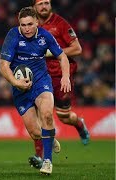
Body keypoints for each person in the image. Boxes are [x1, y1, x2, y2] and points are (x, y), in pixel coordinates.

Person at [0, 7, 71, 175]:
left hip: (41, 82)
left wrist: (65, 76)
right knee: (34, 132)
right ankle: (50, 138)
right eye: (23, 25)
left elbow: (62, 56)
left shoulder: (45, 36)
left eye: (30, 24)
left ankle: (47, 162)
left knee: (47, 114)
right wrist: (16, 82)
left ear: (37, 22)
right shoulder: (13, 35)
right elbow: (3, 65)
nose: (27, 28)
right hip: (20, 88)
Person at [33, 0, 90, 144]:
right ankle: (42, 153)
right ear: (34, 6)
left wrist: (52, 52)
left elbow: (77, 49)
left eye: (47, 3)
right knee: (39, 110)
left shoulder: (60, 24)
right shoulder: (31, 24)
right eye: (40, 3)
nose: (44, 6)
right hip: (40, 75)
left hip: (59, 75)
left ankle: (79, 123)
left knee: (63, 116)